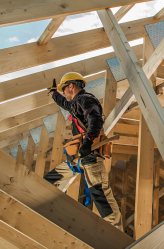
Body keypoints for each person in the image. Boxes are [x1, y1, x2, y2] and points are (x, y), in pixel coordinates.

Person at [43, 72, 122, 231]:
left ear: (71, 86)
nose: (63, 93)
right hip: (78, 160)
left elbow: (95, 120)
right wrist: (54, 93)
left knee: (100, 195)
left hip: (90, 157)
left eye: (63, 89)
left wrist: (87, 142)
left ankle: (116, 233)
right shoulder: (75, 103)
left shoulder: (86, 99)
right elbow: (64, 102)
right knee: (48, 180)